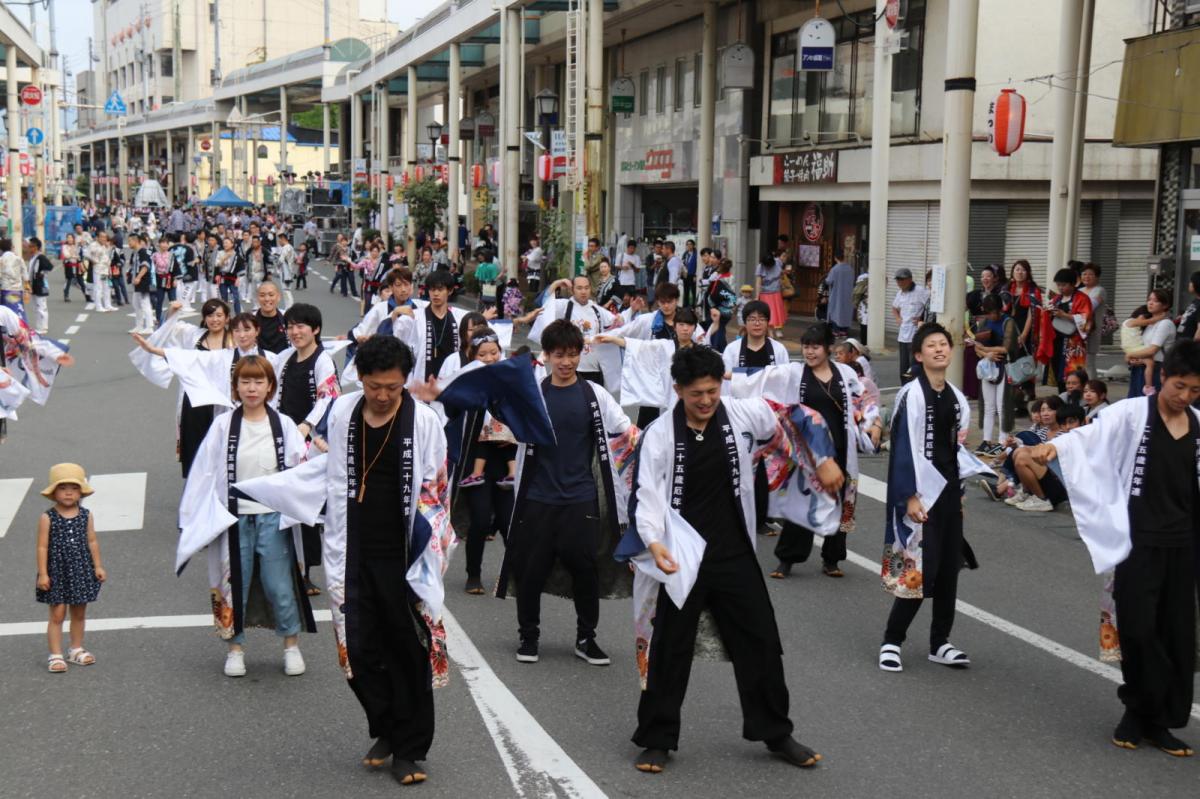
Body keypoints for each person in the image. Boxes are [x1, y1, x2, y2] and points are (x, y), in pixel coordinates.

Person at [236, 335, 456, 785]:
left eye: (393, 387)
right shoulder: (342, 414)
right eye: (375, 385)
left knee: (409, 650)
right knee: (358, 649)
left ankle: (409, 748)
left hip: (405, 555)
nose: (382, 395)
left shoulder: (426, 422)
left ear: (404, 383)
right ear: (360, 378)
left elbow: (436, 491)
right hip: (350, 549)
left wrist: (430, 548)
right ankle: (386, 726)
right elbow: (323, 467)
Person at [617, 345, 841, 774]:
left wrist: (823, 458)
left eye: (712, 390)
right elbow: (645, 496)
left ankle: (776, 732)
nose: (705, 400)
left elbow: (796, 418)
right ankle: (657, 738)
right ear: (678, 390)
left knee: (760, 642)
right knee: (669, 648)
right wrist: (654, 541)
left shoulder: (742, 414)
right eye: (696, 393)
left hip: (733, 549)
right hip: (682, 554)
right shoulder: (660, 435)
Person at [427, 320, 638, 667]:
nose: (566, 362)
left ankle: (587, 637)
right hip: (536, 496)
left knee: (584, 568)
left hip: (580, 496)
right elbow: (490, 398)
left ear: (580, 354)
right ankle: (529, 636)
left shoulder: (594, 395)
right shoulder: (534, 393)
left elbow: (624, 431)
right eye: (559, 355)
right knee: (531, 569)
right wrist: (444, 394)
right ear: (548, 356)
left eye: (572, 355)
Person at [1030, 340, 1200, 757]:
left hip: (1183, 545)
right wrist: (1057, 446)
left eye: (1195, 390)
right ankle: (1138, 706)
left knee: (1176, 634)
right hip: (1137, 541)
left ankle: (1158, 721)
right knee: (1138, 629)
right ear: (1162, 376)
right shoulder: (1131, 414)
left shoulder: (1198, 423)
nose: (1185, 397)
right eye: (1179, 386)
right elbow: (1090, 436)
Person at [176, 355, 313, 679]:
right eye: (245, 382)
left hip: (273, 518)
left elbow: (302, 469)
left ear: (270, 386)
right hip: (233, 518)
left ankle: (291, 645)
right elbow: (203, 475)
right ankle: (234, 649)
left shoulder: (284, 425)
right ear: (236, 387)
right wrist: (192, 519)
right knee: (232, 583)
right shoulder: (223, 426)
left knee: (279, 584)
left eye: (259, 382)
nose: (252, 388)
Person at [878, 323, 993, 673]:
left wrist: (958, 495)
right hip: (919, 495)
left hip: (947, 493)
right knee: (916, 569)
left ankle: (939, 642)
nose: (940, 349)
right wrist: (909, 497)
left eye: (944, 344)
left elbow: (955, 449)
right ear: (919, 355)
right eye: (932, 345)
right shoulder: (911, 395)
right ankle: (892, 640)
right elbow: (901, 449)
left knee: (946, 571)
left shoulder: (957, 398)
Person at [728, 322, 880, 579]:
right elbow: (762, 375)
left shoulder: (845, 373)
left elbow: (863, 399)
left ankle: (832, 559)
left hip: (841, 447)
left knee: (841, 500)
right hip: (807, 449)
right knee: (802, 501)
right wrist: (728, 374)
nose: (810, 352)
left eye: (815, 347)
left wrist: (873, 422)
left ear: (828, 348)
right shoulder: (794, 373)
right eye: (806, 347)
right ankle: (786, 560)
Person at [36, 463, 106, 674]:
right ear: (54, 492)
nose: (68, 492)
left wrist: (98, 565)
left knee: (79, 612)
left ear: (80, 492)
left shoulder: (86, 515)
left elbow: (92, 541)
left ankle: (76, 648)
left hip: (81, 569)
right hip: (57, 572)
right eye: (62, 487)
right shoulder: (48, 517)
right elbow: (42, 546)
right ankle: (55, 654)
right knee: (57, 614)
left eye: (74, 488)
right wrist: (43, 573)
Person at [519, 275, 621, 388]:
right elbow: (544, 302)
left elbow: (617, 323)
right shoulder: (564, 306)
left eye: (586, 288)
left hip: (594, 368)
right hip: (569, 367)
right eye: (579, 288)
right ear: (572, 290)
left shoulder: (597, 309)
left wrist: (628, 313)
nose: (583, 291)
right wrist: (557, 283)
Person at [392, 269, 484, 387]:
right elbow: (398, 342)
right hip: (423, 380)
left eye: (440, 290)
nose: (435, 294)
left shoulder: (458, 318)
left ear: (450, 291)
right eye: (432, 289)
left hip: (451, 379)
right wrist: (395, 315)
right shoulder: (416, 317)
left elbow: (480, 330)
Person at [971, 294, 1019, 455]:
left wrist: (984, 351)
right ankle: (986, 441)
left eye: (994, 312)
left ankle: (1002, 442)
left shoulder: (1008, 321)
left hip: (1005, 367)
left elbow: (1006, 348)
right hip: (988, 368)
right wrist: (986, 355)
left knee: (1002, 406)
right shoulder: (984, 322)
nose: (991, 315)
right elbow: (976, 346)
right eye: (988, 312)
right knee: (989, 407)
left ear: (1001, 309)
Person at [1037, 268, 1092, 389]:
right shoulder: (1056, 299)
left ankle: (1075, 400)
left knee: (1072, 373)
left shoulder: (1082, 298)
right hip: (1056, 340)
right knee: (1058, 372)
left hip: (1073, 342)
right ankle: (1062, 397)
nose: (1061, 288)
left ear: (1073, 284)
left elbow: (1086, 319)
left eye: (1064, 285)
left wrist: (1064, 315)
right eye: (1058, 285)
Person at [1124, 290, 1176, 398]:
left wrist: (1130, 354)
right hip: (1142, 367)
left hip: (1157, 368)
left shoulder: (1165, 323)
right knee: (1137, 404)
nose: (1150, 303)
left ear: (1165, 305)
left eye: (1155, 301)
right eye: (1149, 300)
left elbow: (1152, 350)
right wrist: (1133, 358)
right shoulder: (1150, 323)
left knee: (1150, 404)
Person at [1007, 259, 1043, 405]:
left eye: (1023, 270)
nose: (1020, 273)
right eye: (1017, 270)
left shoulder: (1033, 291)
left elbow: (1032, 315)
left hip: (1026, 331)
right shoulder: (1007, 289)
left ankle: (1028, 391)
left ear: (1028, 273)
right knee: (1011, 361)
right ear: (1012, 272)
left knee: (1025, 360)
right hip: (1009, 330)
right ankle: (1014, 394)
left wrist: (1023, 335)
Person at [891, 268, 928, 383]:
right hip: (903, 335)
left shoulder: (920, 291)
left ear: (910, 279)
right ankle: (904, 389)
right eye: (898, 280)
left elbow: (930, 307)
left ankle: (915, 388)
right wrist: (898, 318)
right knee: (903, 367)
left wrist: (922, 319)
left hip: (916, 335)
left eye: (902, 279)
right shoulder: (900, 293)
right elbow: (894, 307)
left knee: (914, 366)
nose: (899, 282)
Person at [1080, 263, 1107, 375]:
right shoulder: (1080, 290)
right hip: (1078, 330)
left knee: (1088, 363)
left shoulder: (1099, 290)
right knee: (1078, 364)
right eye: (1084, 274)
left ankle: (1093, 388)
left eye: (1090, 274)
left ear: (1097, 277)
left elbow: (1089, 306)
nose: (1086, 276)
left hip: (1091, 331)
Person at [755, 253, 789, 339]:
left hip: (776, 292)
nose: (769, 267)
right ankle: (770, 332)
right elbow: (758, 282)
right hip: (765, 294)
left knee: (778, 313)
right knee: (769, 312)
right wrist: (757, 295)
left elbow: (785, 257)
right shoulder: (760, 267)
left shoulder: (778, 262)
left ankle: (778, 330)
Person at [129, 234, 157, 335]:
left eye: (130, 241)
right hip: (138, 282)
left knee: (145, 304)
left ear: (136, 241)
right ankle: (139, 325)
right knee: (136, 304)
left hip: (143, 282)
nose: (129, 243)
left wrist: (138, 277)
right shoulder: (136, 253)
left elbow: (145, 266)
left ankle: (149, 327)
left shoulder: (143, 252)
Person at [24, 238, 54, 334]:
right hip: (33, 285)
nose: (29, 248)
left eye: (31, 246)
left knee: (41, 307)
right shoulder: (33, 257)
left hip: (40, 285)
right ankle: (39, 326)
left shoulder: (41, 257)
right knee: (36, 307)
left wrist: (42, 273)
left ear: (36, 247)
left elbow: (50, 267)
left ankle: (43, 327)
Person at [821, 252, 855, 336]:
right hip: (848, 294)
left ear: (835, 258)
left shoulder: (835, 269)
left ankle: (836, 331)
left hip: (837, 294)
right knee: (846, 312)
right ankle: (844, 331)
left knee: (835, 311)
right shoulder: (850, 269)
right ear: (843, 257)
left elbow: (828, 281)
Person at [253, 281, 289, 354]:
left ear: (278, 297)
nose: (267, 299)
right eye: (262, 295)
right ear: (257, 298)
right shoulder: (251, 319)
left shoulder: (287, 318)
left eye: (271, 295)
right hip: (258, 363)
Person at [85, 233, 116, 313]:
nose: (103, 239)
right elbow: (86, 254)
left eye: (105, 237)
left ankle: (107, 305)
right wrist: (93, 261)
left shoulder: (104, 246)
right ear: (98, 238)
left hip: (105, 269)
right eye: (102, 237)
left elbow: (107, 256)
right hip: (98, 269)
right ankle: (98, 306)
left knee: (107, 287)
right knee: (98, 287)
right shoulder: (93, 245)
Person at [61, 234, 88, 302]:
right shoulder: (65, 246)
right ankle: (66, 295)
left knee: (80, 280)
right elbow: (66, 255)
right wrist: (74, 256)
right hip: (69, 265)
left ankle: (87, 295)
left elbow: (80, 255)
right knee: (69, 280)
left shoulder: (76, 246)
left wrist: (74, 255)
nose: (70, 239)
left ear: (73, 239)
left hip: (77, 265)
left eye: (71, 238)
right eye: (68, 238)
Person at [1177, 271, 1200, 342]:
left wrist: (1191, 349)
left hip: (1189, 349)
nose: (1189, 284)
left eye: (1191, 282)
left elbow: (1198, 336)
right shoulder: (1196, 301)